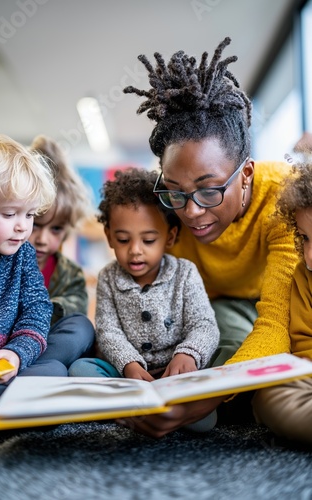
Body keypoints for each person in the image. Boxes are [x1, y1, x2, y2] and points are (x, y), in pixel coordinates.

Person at [115, 36, 299, 437]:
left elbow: (274, 326)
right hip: (208, 310)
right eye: (176, 190)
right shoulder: (166, 210)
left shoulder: (284, 201)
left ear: (245, 174)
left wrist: (209, 397)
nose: (192, 211)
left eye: (209, 189)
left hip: (271, 305)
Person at [69, 168, 220, 390]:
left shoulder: (185, 273)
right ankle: (135, 403)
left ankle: (138, 407)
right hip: (125, 372)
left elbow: (204, 324)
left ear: (170, 237)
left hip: (175, 371)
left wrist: (188, 355)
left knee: (205, 421)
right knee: (80, 370)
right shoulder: (108, 278)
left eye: (148, 240)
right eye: (123, 240)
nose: (135, 250)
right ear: (109, 237)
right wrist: (128, 363)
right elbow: (108, 330)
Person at [0, 134, 63, 429]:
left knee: (59, 360)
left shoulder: (23, 253)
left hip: (7, 363)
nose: (22, 227)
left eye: (30, 215)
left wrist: (16, 353)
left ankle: (2, 407)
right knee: (51, 382)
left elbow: (38, 308)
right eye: (10, 213)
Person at [252, 159, 312, 446]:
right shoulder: (303, 274)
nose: (309, 255)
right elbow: (302, 344)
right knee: (268, 396)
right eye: (305, 239)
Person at [27, 135, 95, 370]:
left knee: (81, 327)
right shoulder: (2, 263)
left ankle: (28, 371)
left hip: (42, 347)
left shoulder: (70, 272)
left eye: (56, 229)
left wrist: (39, 310)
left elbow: (76, 308)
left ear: (66, 232)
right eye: (35, 223)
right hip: (3, 344)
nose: (42, 240)